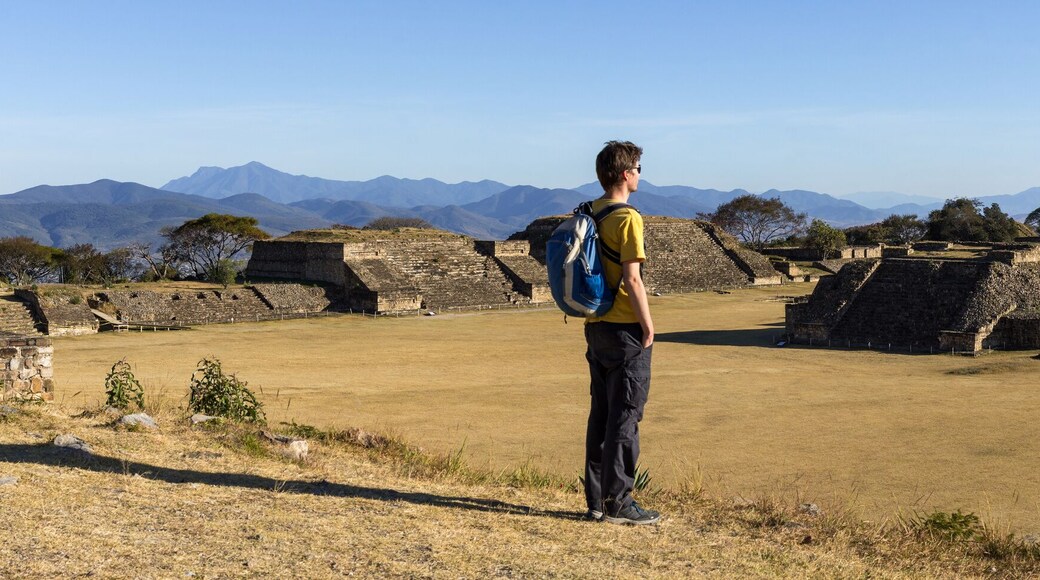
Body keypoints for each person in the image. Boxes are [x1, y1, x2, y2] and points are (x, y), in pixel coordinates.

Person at [583, 140, 660, 525]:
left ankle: (597, 500)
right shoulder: (628, 218)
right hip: (625, 329)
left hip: (595, 327)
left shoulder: (592, 211)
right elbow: (633, 278)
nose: (640, 175)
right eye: (639, 169)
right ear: (627, 173)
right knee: (625, 416)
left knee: (601, 414)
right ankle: (619, 503)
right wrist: (648, 323)